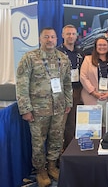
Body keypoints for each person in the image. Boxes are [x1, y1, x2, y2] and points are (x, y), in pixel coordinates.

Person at [16, 27, 72, 187]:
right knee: (38, 142)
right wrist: (25, 108)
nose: (50, 40)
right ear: (40, 39)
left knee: (56, 139)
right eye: (46, 37)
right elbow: (21, 84)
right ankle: (40, 171)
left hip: (59, 108)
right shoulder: (30, 58)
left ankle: (52, 166)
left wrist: (68, 103)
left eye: (52, 37)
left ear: (57, 39)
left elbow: (67, 83)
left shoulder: (63, 59)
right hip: (38, 110)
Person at [80, 36, 108, 126]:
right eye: (99, 45)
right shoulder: (87, 59)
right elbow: (83, 77)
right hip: (92, 97)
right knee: (93, 127)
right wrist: (94, 92)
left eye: (104, 45)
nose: (102, 47)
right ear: (95, 47)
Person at [56, 24, 84, 150]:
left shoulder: (80, 52)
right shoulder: (57, 52)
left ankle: (68, 150)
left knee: (72, 124)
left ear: (76, 36)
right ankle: (56, 155)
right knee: (59, 125)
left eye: (73, 34)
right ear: (62, 35)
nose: (71, 36)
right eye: (68, 34)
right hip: (61, 93)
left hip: (77, 91)